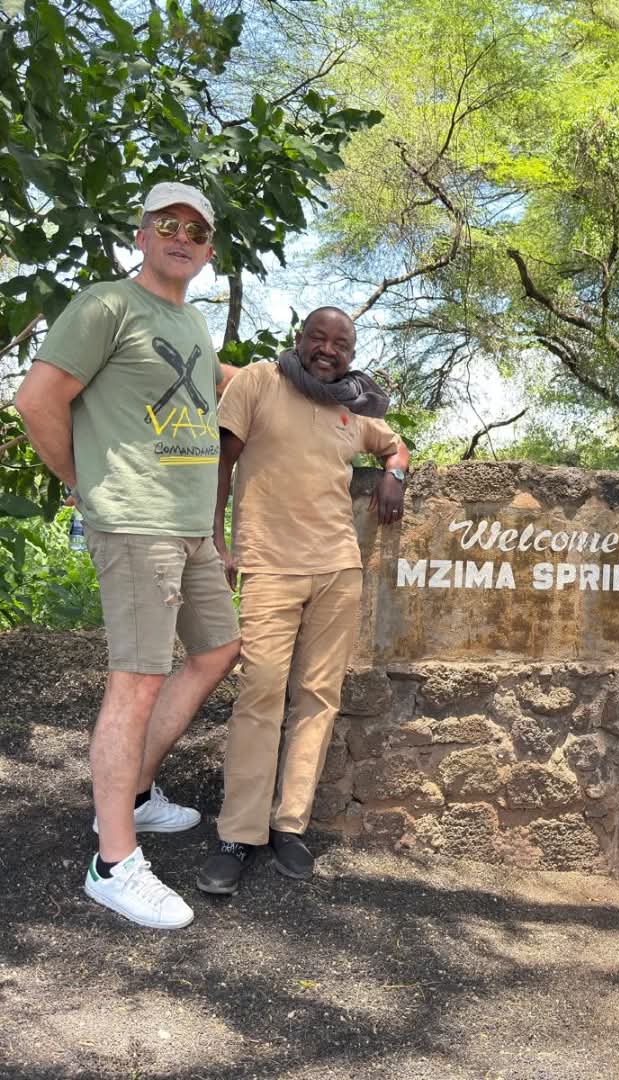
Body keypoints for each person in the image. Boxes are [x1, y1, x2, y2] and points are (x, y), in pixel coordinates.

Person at [14, 181, 242, 930]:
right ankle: (112, 863)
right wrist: (86, 484)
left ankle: (136, 796)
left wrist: (319, 389)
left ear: (208, 253)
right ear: (142, 235)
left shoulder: (194, 326)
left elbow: (219, 392)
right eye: (167, 223)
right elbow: (37, 400)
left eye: (196, 230)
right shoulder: (107, 304)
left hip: (188, 527)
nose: (182, 236)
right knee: (136, 681)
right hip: (136, 522)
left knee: (218, 650)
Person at [196, 306, 410, 896]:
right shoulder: (260, 382)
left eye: (341, 343)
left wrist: (395, 475)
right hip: (267, 565)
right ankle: (238, 834)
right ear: (300, 340)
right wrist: (218, 540)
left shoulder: (352, 410)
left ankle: (289, 824)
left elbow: (396, 447)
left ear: (350, 353)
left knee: (318, 698)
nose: (328, 349)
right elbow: (221, 460)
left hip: (338, 570)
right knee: (260, 690)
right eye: (319, 337)